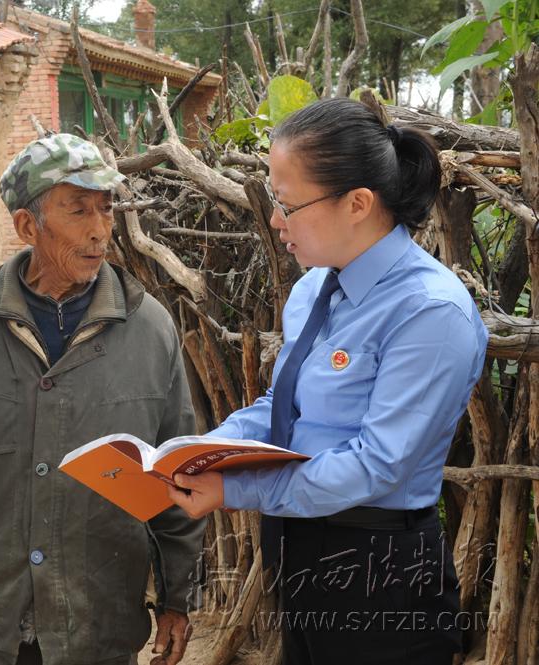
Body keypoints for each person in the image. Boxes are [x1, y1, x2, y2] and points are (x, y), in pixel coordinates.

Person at [168, 98, 488, 664]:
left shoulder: (430, 312)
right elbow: (286, 406)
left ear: (358, 203)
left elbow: (377, 465)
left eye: (287, 204)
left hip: (380, 567)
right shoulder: (313, 290)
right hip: (301, 547)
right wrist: (203, 451)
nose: (274, 220)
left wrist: (236, 488)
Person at [0, 134, 206, 665]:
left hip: (100, 621)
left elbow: (176, 473)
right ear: (26, 227)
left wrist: (177, 596)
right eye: (78, 209)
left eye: (105, 209)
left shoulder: (150, 329)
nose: (99, 230)